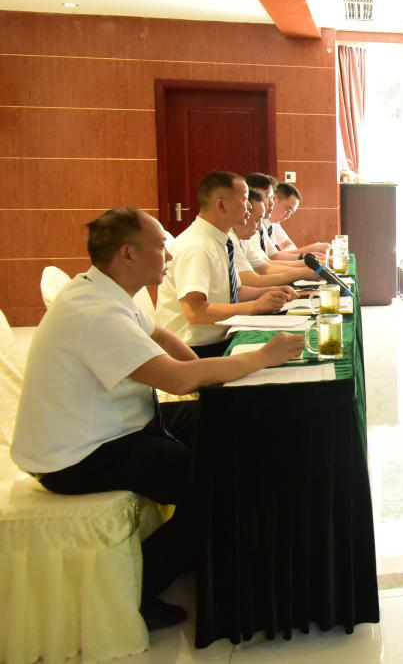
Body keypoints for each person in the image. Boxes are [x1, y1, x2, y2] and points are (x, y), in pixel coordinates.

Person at [9, 207, 304, 630]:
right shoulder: (95, 312)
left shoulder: (107, 289)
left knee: (219, 420)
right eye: (160, 245)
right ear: (128, 254)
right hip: (77, 453)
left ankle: (215, 546)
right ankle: (133, 595)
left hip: (114, 421)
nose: (169, 254)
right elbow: (176, 379)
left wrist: (207, 382)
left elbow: (161, 337)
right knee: (216, 483)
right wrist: (262, 357)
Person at [156, 171, 291, 357]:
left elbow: (234, 292)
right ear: (221, 205)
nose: (249, 207)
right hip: (195, 351)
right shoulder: (197, 246)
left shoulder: (220, 239)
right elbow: (195, 312)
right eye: (244, 199)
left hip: (222, 337)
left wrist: (272, 291)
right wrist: (255, 306)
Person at [230, 190, 315, 287]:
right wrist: (300, 272)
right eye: (268, 196)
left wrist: (306, 264)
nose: (270, 203)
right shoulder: (231, 239)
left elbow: (266, 266)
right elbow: (253, 280)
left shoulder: (243, 238)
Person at [267, 182, 333, 259]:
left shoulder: (274, 224)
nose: (288, 216)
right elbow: (266, 259)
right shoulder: (258, 224)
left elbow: (289, 245)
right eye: (287, 209)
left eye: (291, 212)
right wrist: (312, 249)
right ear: (274, 199)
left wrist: (279, 255)